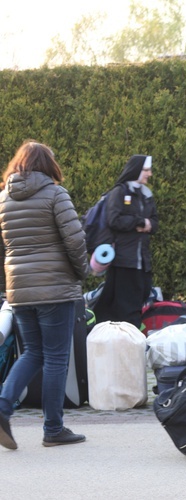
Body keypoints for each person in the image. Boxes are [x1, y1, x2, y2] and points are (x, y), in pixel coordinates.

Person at [0, 140, 89, 449]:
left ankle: (2, 406)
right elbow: (75, 240)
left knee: (32, 352)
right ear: (48, 165)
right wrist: (82, 273)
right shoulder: (55, 194)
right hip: (54, 286)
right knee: (55, 357)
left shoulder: (3, 199)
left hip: (20, 289)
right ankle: (53, 429)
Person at [93, 155, 157, 329]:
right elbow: (114, 220)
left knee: (136, 300)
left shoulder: (146, 195)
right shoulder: (119, 192)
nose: (149, 174)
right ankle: (130, 345)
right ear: (136, 170)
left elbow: (155, 223)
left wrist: (146, 224)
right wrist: (141, 222)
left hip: (142, 262)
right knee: (127, 310)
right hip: (123, 261)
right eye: (146, 170)